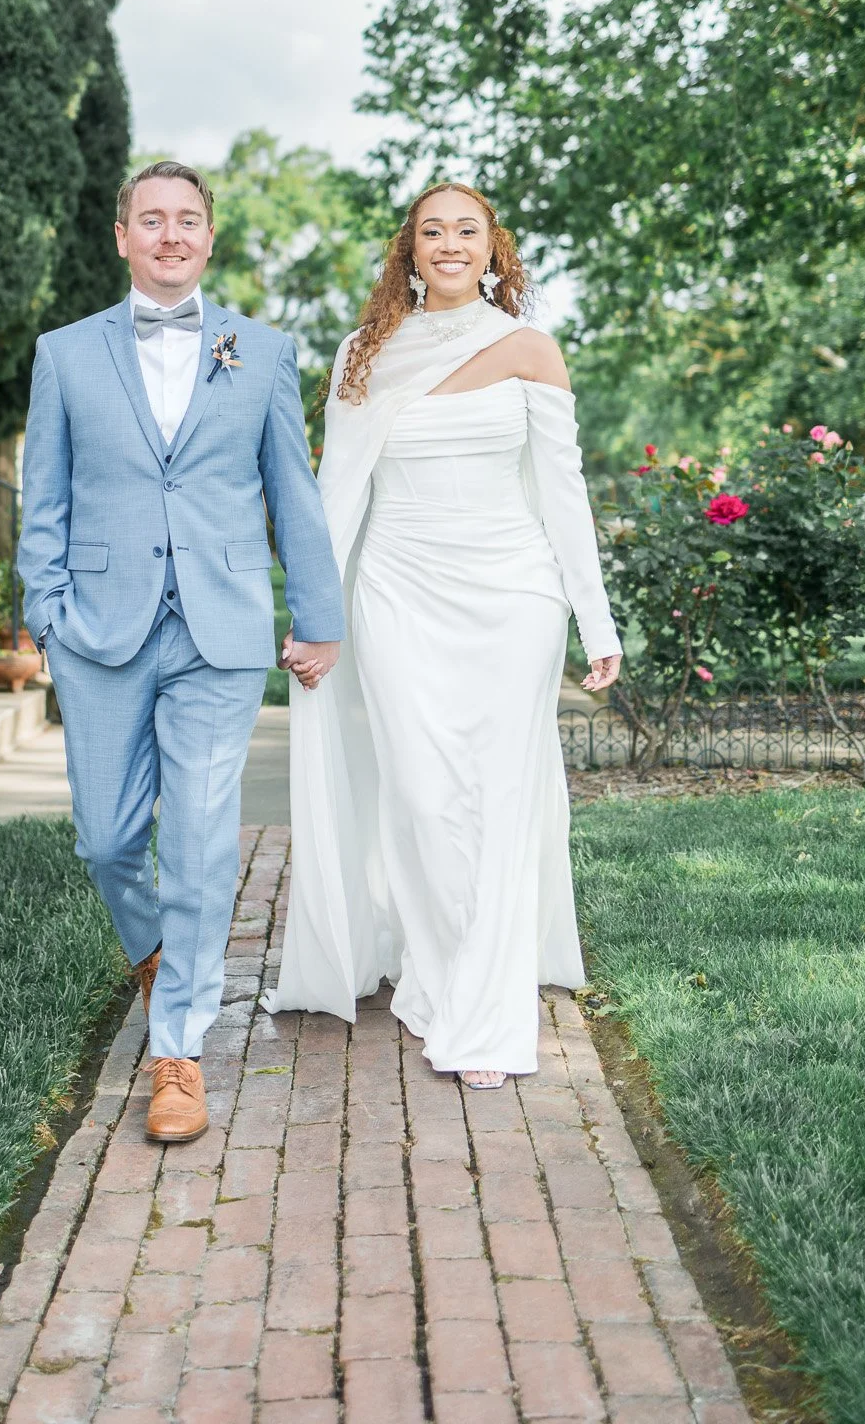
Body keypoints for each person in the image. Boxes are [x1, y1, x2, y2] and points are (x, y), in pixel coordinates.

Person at [266, 182, 621, 1087]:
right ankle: (434, 966)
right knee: (422, 800)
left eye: (467, 230)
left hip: (513, 594)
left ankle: (486, 1010)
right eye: (433, 232)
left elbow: (563, 493)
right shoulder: (364, 352)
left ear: (494, 248)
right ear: (409, 251)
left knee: (498, 796)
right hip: (395, 590)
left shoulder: (531, 349)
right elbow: (333, 495)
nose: (450, 244)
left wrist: (594, 617)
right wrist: (317, 614)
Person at [18, 161, 344, 1143]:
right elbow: (46, 496)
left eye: (187, 219)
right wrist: (48, 612)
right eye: (150, 219)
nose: (169, 234)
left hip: (222, 627)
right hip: (102, 630)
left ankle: (179, 1048)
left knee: (201, 835)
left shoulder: (265, 350)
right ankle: (158, 949)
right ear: (121, 236)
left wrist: (316, 613)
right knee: (108, 839)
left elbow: (294, 489)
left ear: (209, 237)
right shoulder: (66, 353)